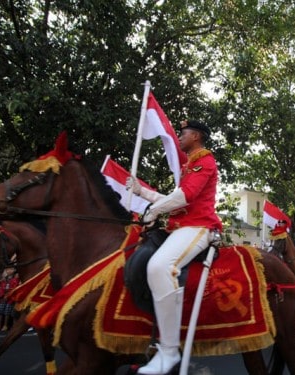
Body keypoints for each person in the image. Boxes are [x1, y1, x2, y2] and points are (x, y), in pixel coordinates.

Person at [126, 119, 222, 375]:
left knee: (160, 267)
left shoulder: (206, 160)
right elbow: (175, 201)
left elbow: (184, 197)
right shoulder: (189, 165)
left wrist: (154, 210)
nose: (179, 137)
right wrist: (141, 192)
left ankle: (168, 351)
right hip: (180, 227)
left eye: (184, 133)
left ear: (197, 136)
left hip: (199, 227)